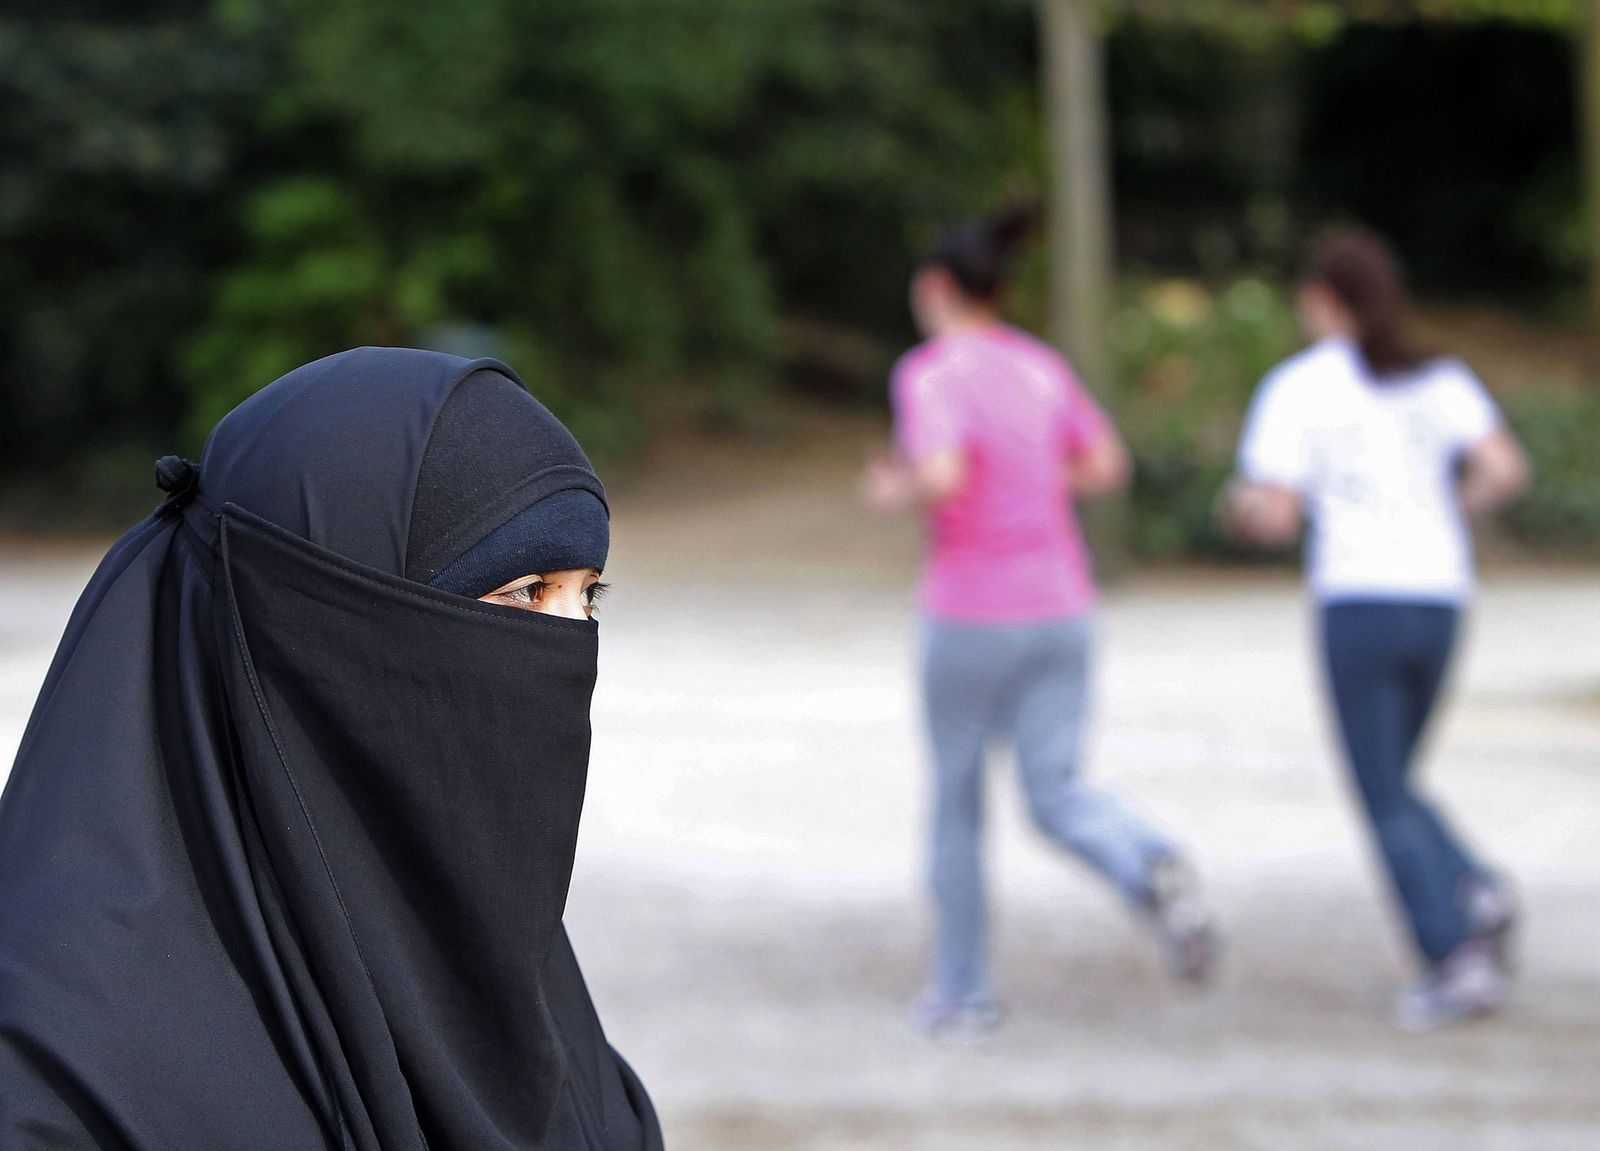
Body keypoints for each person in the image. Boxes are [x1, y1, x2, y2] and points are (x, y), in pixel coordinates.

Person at [0, 349, 662, 1149]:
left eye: (588, 593)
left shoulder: (528, 994)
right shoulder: (61, 1085)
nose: (572, 646)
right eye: (523, 591)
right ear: (321, 630)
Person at [865, 208, 1217, 1040]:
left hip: (971, 609)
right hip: (1061, 604)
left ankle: (963, 991)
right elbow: (1106, 464)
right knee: (1055, 790)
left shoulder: (932, 373)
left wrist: (898, 490)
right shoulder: (1041, 369)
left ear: (936, 288)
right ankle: (1147, 859)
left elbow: (945, 473)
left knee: (958, 804)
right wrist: (1030, 474)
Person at [1224, 228, 1531, 1030]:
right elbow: (1504, 467)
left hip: (1359, 597)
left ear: (1325, 301)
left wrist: (1242, 511)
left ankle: (1450, 950)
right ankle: (1473, 883)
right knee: (1399, 774)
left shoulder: (1300, 387)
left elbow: (1276, 506)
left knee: (1380, 786)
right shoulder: (1440, 377)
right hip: (1439, 594)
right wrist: (1445, 516)